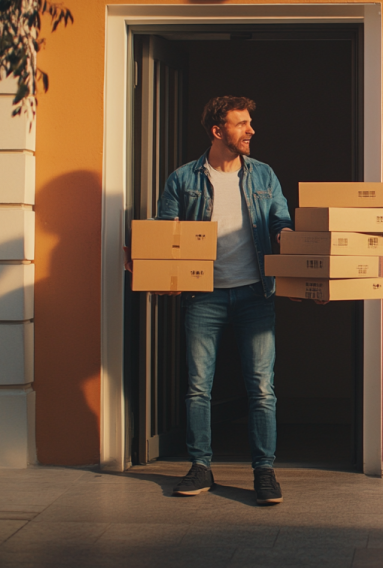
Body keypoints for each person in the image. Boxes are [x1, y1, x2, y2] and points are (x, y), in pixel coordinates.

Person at [152, 96, 293, 504]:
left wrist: (289, 241)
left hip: (255, 293)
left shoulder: (264, 175)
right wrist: (149, 261)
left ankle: (264, 472)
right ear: (218, 131)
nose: (251, 130)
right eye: (242, 123)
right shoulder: (182, 179)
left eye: (250, 122)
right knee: (199, 387)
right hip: (204, 296)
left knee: (261, 389)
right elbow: (166, 233)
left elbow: (281, 221)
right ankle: (200, 466)